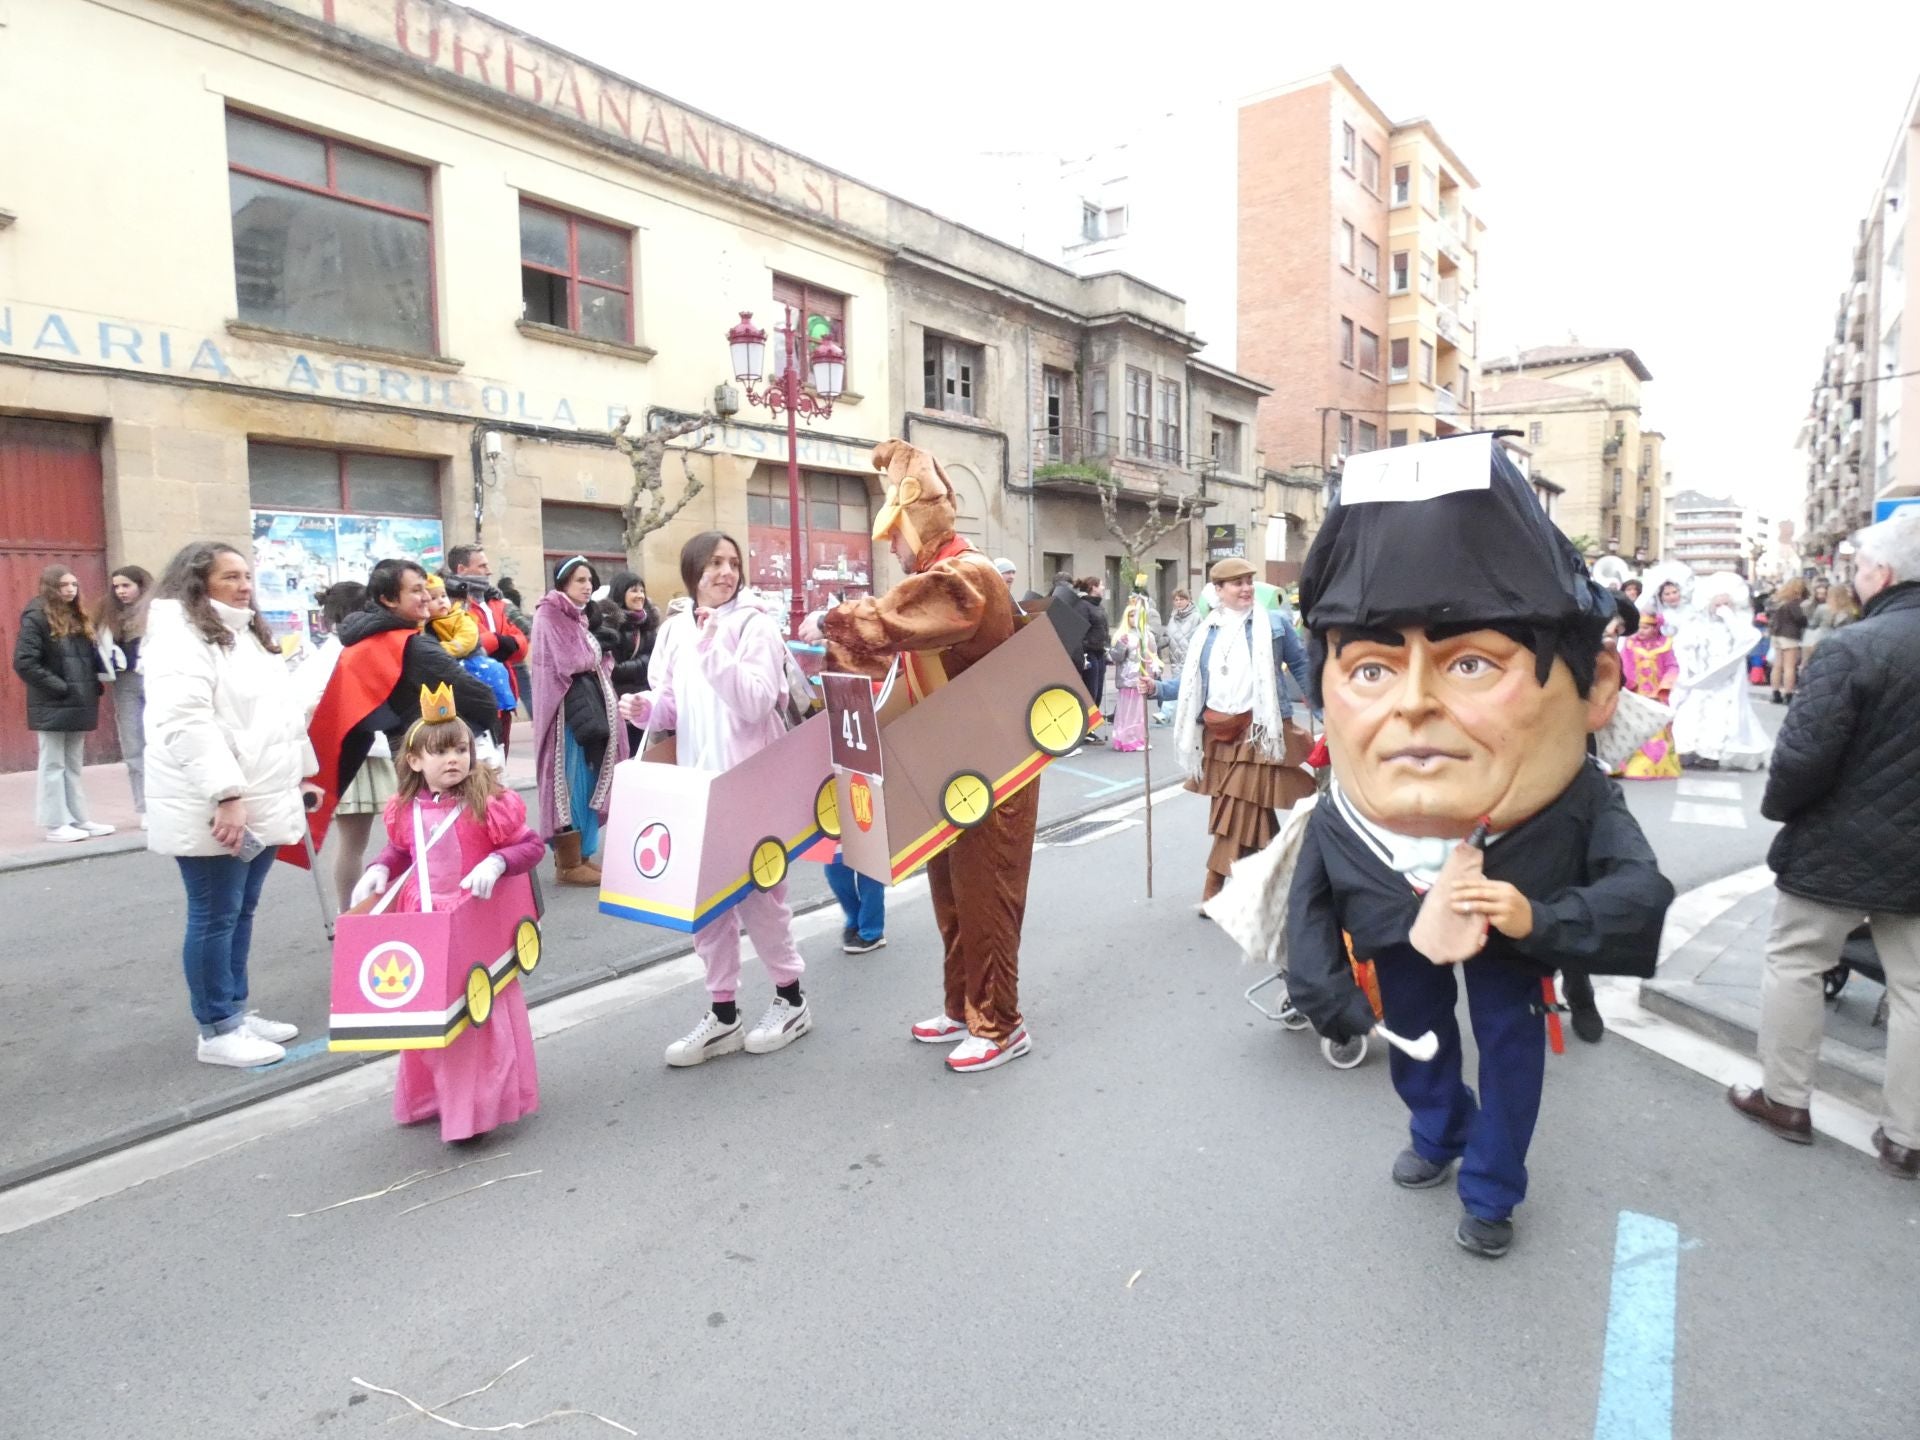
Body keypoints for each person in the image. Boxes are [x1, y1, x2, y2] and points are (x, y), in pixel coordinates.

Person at [1277, 434, 1674, 1258]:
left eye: (1470, 665)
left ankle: (1493, 1185)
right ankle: (1439, 1128)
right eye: (1373, 670)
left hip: (1513, 927)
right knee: (1415, 1036)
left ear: (1596, 688)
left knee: (1509, 1047)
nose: (1413, 704)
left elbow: (1638, 891)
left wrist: (1541, 917)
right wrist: (1323, 988)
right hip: (1400, 928)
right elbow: (1308, 905)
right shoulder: (1344, 815)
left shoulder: (1580, 800)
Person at [804, 439, 1042, 1073]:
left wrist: (837, 621)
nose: (890, 548)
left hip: (994, 765)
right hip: (954, 761)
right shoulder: (943, 573)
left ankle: (1001, 1024)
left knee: (986, 896)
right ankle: (965, 1008)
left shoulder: (967, 574)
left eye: (895, 534)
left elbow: (894, 619)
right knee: (953, 894)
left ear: (915, 524)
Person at [1729, 513, 1920, 1180]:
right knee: (1917, 988)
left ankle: (1785, 1101)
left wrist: (1781, 809)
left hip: (1837, 841)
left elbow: (1804, 755)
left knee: (1797, 960)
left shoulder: (1853, 647)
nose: (1855, 576)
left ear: (1882, 574)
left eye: (1860, 566)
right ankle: (1908, 1137)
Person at [619, 532, 812, 1065]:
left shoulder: (754, 625)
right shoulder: (675, 628)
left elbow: (755, 703)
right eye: (713, 563)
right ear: (692, 572)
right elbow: (675, 706)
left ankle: (791, 998)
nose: (726, 572)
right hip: (695, 787)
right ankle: (723, 1013)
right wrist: (645, 708)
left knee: (761, 898)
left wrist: (713, 650)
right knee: (705, 904)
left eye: (732, 563)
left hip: (750, 785)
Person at [143, 541, 313, 1068]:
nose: (244, 586)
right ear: (198, 583)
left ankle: (234, 1011)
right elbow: (186, 724)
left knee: (239, 911)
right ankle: (217, 1027)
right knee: (216, 914)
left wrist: (302, 773)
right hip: (217, 803)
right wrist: (228, 796)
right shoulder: (180, 636)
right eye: (230, 577)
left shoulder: (244, 633)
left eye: (247, 576)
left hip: (257, 795)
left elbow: (279, 716)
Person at [350, 687, 544, 1142]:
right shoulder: (405, 808)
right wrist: (380, 868)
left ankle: (475, 1111)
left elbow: (530, 846)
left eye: (460, 749)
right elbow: (403, 849)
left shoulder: (488, 801)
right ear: (415, 760)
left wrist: (498, 862)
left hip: (475, 922)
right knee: (427, 1012)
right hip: (424, 920)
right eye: (440, 752)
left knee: (476, 1015)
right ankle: (433, 1098)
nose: (453, 759)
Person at [300, 558, 500, 873]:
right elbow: (480, 697)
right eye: (416, 590)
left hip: (406, 755)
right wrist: (483, 732)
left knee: (413, 841)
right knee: (449, 844)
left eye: (426, 589)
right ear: (389, 599)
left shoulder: (365, 641)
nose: (426, 597)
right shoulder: (410, 645)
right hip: (435, 759)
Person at [1170, 556, 1313, 902]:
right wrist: (1155, 689)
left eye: (1249, 581)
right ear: (1218, 590)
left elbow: (1300, 665)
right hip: (1218, 733)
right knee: (1248, 812)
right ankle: (1283, 884)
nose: (1247, 588)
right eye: (1238, 583)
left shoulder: (1274, 623)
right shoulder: (1206, 631)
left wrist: (1323, 705)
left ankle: (1213, 889)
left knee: (1236, 810)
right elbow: (1190, 682)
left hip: (1259, 730)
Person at [295, 582, 401, 911]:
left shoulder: (326, 655)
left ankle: (355, 910)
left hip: (362, 753)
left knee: (362, 842)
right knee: (356, 843)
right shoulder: (344, 653)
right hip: (355, 755)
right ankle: (351, 913)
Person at [531, 557, 628, 886]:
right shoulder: (550, 614)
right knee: (568, 782)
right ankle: (568, 864)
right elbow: (573, 659)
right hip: (564, 716)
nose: (587, 587)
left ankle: (583, 855)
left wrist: (597, 648)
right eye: (580, 581)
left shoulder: (577, 616)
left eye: (590, 581)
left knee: (586, 779)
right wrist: (598, 649)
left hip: (581, 710)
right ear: (563, 583)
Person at [13, 564, 113, 843]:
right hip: (53, 702)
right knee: (53, 763)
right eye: (63, 585)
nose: (70, 590)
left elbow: (87, 658)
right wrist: (61, 687)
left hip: (78, 701)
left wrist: (92, 685)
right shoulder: (36, 616)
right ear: (50, 587)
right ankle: (56, 823)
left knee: (72, 764)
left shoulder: (78, 615)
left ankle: (79, 818)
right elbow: (24, 662)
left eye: (73, 584)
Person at [1670, 582, 1771, 771]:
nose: (1721, 608)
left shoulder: (1738, 625)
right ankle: (1688, 750)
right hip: (1701, 678)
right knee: (1692, 714)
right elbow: (1682, 644)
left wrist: (1729, 618)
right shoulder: (1697, 624)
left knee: (1719, 716)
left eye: (1726, 604)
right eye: (1718, 604)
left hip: (1726, 680)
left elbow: (1749, 638)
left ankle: (1711, 754)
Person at [92, 565, 154, 826]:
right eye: (116, 586)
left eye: (126, 585)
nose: (120, 591)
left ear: (140, 585)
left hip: (155, 680)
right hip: (125, 682)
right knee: (133, 745)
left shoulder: (157, 610)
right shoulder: (107, 612)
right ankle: (145, 808)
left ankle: (168, 803)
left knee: (162, 743)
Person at [446, 545, 529, 737]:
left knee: (501, 752)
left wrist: (500, 643)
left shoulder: (495, 602)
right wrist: (499, 641)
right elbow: (471, 640)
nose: (489, 571)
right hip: (472, 696)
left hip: (502, 692)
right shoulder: (451, 604)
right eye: (482, 566)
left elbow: (521, 644)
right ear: (461, 569)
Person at [1613, 601, 1681, 781]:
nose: (1641, 631)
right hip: (1637, 695)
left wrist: (1664, 686)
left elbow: (1672, 666)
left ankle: (1655, 766)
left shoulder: (1665, 645)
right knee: (1634, 728)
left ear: (1655, 628)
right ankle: (1628, 764)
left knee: (1656, 729)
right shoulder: (1630, 644)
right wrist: (1628, 685)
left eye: (1646, 627)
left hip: (1657, 695)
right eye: (1639, 627)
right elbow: (1625, 665)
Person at [602, 569, 660, 754]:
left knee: (644, 754)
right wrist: (645, 664)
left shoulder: (649, 624)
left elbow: (658, 661)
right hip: (619, 703)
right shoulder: (609, 626)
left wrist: (643, 664)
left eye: (642, 590)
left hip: (644, 702)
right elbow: (612, 668)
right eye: (634, 590)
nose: (640, 595)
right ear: (621, 592)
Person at [1109, 593, 1159, 752]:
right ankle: (1125, 739)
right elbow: (1116, 657)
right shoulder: (1124, 636)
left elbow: (1153, 656)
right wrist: (1120, 645)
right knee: (1127, 712)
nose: (1134, 618)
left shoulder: (1148, 635)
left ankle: (1138, 739)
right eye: (1131, 615)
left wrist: (1154, 673)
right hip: (1128, 680)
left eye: (1137, 615)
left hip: (1143, 679)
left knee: (1140, 712)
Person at [1155, 587, 1200, 725]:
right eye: (1176, 600)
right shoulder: (1173, 617)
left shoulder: (1196, 617)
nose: (1178, 602)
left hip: (1189, 659)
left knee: (1181, 686)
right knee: (1179, 687)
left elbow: (1199, 637)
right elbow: (1168, 637)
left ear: (1188, 600)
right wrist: (1154, 645)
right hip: (1175, 660)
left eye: (1181, 599)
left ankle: (1165, 713)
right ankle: (1173, 714)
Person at [1075, 576, 1111, 739]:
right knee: (1091, 690)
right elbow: (1080, 630)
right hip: (1089, 652)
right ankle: (1085, 727)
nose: (1103, 588)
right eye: (1101, 585)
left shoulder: (1099, 606)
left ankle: (1091, 726)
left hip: (1100, 651)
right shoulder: (1083, 606)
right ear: (1093, 587)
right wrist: (1083, 651)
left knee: (1098, 691)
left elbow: (1104, 628)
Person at [1767, 577, 1808, 703]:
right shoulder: (1794, 603)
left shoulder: (1778, 601)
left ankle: (1775, 693)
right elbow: (1800, 619)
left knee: (1777, 666)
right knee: (1789, 666)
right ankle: (1788, 694)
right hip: (1789, 635)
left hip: (1776, 634)